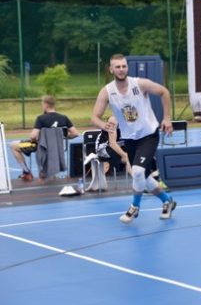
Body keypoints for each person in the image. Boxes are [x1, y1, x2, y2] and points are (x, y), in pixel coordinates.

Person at [91, 53, 176, 223]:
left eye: (124, 66)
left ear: (127, 68)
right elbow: (94, 116)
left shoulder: (139, 84)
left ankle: (134, 208)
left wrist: (166, 118)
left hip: (148, 135)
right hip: (130, 139)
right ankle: (167, 201)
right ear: (111, 69)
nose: (121, 69)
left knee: (136, 171)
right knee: (143, 177)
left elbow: (164, 92)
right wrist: (103, 125)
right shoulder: (107, 91)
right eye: (117, 67)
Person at [10, 95, 79, 181]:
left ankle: (26, 172)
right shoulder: (63, 118)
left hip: (41, 146)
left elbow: (33, 136)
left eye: (42, 104)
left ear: (46, 104)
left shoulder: (41, 118)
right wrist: (61, 138)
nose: (41, 106)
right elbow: (75, 133)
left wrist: (35, 140)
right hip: (57, 147)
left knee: (13, 145)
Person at [84, 115, 131, 192]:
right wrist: (125, 155)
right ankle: (141, 183)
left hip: (116, 147)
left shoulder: (128, 124)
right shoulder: (112, 124)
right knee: (128, 159)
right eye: (109, 123)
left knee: (133, 157)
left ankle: (144, 180)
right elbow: (112, 144)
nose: (110, 125)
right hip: (103, 148)